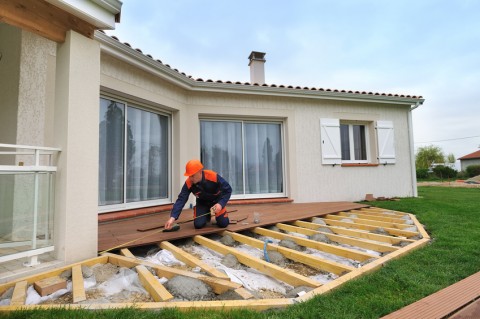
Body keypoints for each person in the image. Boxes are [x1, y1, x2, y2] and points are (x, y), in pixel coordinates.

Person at [164, 159, 232, 230]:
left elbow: (228, 190)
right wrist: (172, 218)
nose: (190, 178)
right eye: (189, 176)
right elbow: (181, 199)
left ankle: (221, 214)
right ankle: (207, 215)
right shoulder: (189, 183)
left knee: (223, 224)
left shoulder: (213, 176)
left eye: (192, 176)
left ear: (200, 172)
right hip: (202, 203)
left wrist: (220, 204)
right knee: (198, 225)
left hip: (216, 202)